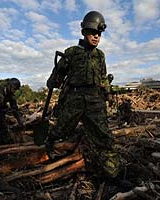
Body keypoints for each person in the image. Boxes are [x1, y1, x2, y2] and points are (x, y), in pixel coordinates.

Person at [45, 11, 119, 178]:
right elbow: (59, 73)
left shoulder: (100, 55)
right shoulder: (71, 52)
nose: (96, 37)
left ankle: (112, 173)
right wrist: (53, 81)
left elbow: (102, 77)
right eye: (93, 33)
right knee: (60, 130)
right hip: (74, 98)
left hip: (95, 100)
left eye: (99, 34)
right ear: (84, 32)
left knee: (104, 137)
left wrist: (107, 94)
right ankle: (52, 158)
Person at [0, 78, 24, 144]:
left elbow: (15, 109)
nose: (14, 91)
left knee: (3, 127)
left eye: (16, 90)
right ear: (9, 86)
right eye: (14, 89)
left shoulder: (11, 95)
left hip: (0, 111)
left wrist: (20, 121)